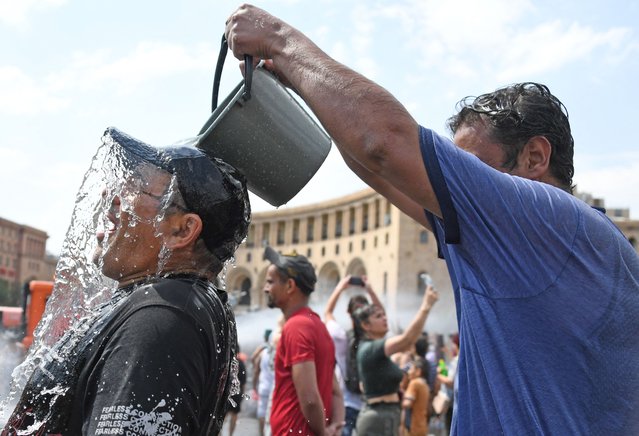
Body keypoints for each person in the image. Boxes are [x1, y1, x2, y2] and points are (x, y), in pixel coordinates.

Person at [225, 5, 639, 434]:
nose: (463, 184)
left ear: (535, 157)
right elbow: (377, 168)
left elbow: (382, 144)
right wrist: (295, 79)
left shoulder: (553, 224)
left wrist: (278, 38)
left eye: (475, 170)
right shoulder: (533, 247)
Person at [2, 127, 250, 435]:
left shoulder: (160, 318)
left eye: (136, 187)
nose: (113, 196)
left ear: (182, 231)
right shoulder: (173, 304)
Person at [262, 246, 345, 436]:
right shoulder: (318, 325)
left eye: (270, 282)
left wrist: (324, 433)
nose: (265, 288)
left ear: (290, 286)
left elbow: (309, 398)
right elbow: (336, 393)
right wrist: (336, 427)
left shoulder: (296, 327)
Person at [352, 285, 438, 436]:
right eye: (378, 317)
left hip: (387, 417)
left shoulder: (375, 349)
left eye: (383, 315)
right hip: (377, 420)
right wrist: (426, 306)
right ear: (366, 325)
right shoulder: (369, 349)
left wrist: (371, 291)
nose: (384, 318)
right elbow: (407, 340)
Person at [324, 275, 382, 436]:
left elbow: (328, 312)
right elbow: (382, 316)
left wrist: (341, 287)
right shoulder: (373, 337)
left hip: (345, 403)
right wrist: (370, 290)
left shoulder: (340, 337)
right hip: (369, 404)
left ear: (349, 312)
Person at [401, 358, 431, 436]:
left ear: (418, 371)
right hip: (422, 426)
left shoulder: (414, 383)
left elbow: (407, 403)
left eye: (411, 369)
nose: (408, 372)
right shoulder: (425, 385)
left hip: (412, 428)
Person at [225, 348, 247, 435]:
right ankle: (231, 434)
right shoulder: (241, 363)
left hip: (226, 393)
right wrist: (242, 394)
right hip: (237, 392)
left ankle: (219, 432)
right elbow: (244, 382)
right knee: (234, 415)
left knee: (223, 415)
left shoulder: (226, 362)